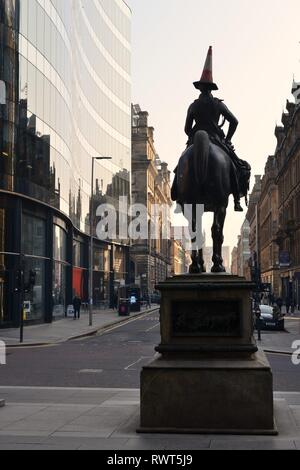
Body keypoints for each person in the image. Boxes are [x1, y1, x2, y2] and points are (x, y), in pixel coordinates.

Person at [183, 46, 251, 212]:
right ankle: (236, 200)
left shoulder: (193, 106)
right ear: (211, 88)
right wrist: (227, 139)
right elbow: (234, 122)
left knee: (181, 165)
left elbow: (186, 129)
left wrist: (193, 136)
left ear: (200, 88)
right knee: (238, 166)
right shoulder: (219, 104)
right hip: (217, 140)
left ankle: (177, 191)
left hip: (195, 140)